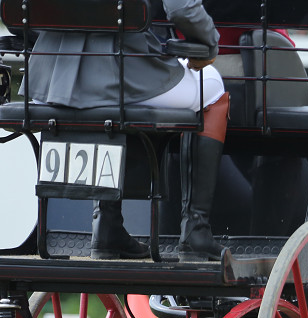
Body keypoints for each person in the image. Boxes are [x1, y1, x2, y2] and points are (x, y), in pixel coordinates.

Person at [24, 0, 230, 261]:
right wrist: (209, 43)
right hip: (123, 77)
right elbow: (182, 9)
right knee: (211, 85)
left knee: (112, 106)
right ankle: (195, 232)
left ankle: (106, 225)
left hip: (50, 80)